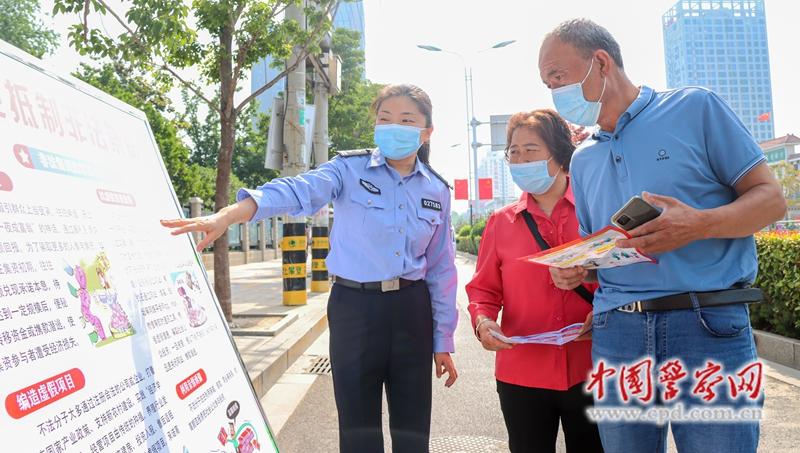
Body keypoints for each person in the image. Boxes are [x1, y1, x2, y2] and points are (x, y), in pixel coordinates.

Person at [161, 84, 459, 453]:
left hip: (411, 310)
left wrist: (443, 340)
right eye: (385, 119)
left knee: (413, 429)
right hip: (356, 309)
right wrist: (231, 214)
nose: (394, 127)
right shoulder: (348, 169)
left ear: (427, 131)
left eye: (406, 120)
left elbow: (442, 270)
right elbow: (295, 191)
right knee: (358, 429)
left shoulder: (438, 190)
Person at [538, 19, 786, 453]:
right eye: (547, 83)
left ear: (600, 62)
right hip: (618, 333)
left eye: (557, 77)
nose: (554, 92)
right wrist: (579, 268)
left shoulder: (694, 108)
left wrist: (700, 223)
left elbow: (771, 200)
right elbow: (603, 248)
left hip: (706, 324)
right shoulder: (584, 160)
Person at [466, 109, 602, 453]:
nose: (520, 159)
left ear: (558, 155)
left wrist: (604, 310)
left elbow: (623, 274)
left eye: (531, 150)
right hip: (521, 372)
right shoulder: (500, 224)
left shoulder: (594, 212)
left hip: (592, 366)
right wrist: (483, 321)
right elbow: (483, 289)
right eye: (514, 151)